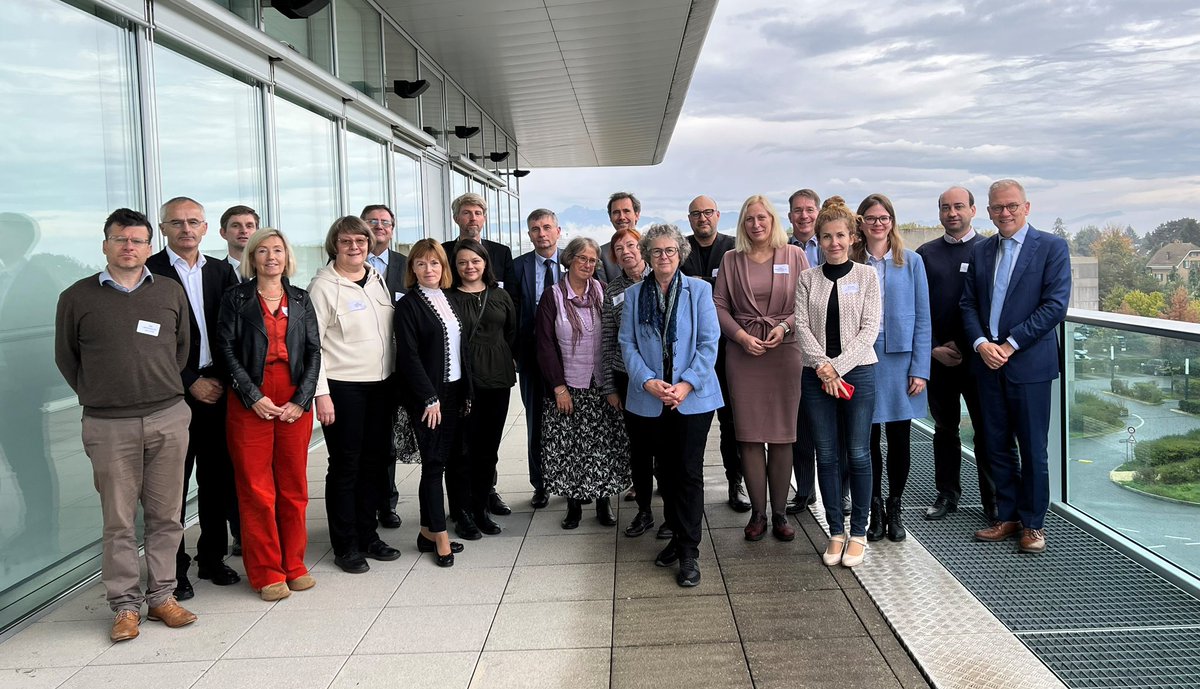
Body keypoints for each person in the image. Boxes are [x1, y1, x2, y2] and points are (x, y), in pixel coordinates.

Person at [54, 208, 196, 641]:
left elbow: (184, 349)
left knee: (166, 515)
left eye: (137, 240)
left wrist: (158, 388)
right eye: (120, 239)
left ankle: (162, 597)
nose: (129, 247)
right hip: (108, 424)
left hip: (168, 416)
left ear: (149, 247)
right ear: (105, 245)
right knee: (118, 520)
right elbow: (67, 358)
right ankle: (124, 606)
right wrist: (102, 394)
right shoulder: (76, 297)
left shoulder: (169, 292)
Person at [961, 179, 1070, 554]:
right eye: (996, 208)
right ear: (988, 211)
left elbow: (1055, 306)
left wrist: (1008, 345)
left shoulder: (1052, 248)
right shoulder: (982, 250)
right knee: (995, 445)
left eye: (1011, 206)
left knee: (1033, 449)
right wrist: (980, 344)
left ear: (1026, 207)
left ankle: (1034, 525)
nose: (1004, 213)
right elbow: (968, 304)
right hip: (988, 364)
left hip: (1029, 366)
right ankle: (1006, 517)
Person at [217, 228, 320, 601]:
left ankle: (294, 564)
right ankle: (266, 571)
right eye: (263, 250)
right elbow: (226, 350)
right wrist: (252, 395)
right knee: (257, 489)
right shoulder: (235, 299)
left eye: (277, 250)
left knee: (293, 487)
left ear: (287, 256)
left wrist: (303, 399)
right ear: (252, 258)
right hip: (251, 400)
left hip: (293, 398)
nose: (271, 256)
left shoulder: (301, 299)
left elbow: (313, 352)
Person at [147, 196, 240, 600]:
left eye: (193, 222)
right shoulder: (149, 272)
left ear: (205, 229)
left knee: (217, 479)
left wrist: (220, 379)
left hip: (218, 389)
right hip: (171, 393)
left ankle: (212, 557)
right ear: (164, 228)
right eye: (177, 223)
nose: (186, 229)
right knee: (171, 487)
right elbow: (147, 343)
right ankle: (174, 569)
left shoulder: (222, 272)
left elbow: (234, 331)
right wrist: (189, 380)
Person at [619, 223, 722, 587]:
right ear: (647, 255)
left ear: (680, 254)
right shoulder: (633, 295)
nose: (663, 257)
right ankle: (677, 539)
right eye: (657, 251)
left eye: (670, 251)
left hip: (692, 398)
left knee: (689, 472)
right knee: (666, 471)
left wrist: (686, 383)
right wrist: (647, 381)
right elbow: (627, 344)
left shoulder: (699, 290)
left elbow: (710, 343)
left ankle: (689, 551)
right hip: (650, 399)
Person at [712, 195, 808, 541]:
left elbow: (807, 301)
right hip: (744, 353)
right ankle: (758, 513)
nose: (756, 224)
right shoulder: (731, 259)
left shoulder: (794, 255)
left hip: (785, 351)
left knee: (783, 436)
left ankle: (781, 514)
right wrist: (739, 337)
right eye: (749, 218)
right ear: (742, 223)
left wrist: (784, 327)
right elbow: (719, 304)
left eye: (762, 218)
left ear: (772, 220)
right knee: (749, 436)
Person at [307, 216, 399, 574]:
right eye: (346, 242)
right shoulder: (323, 288)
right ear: (335, 245)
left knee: (374, 464)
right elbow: (311, 347)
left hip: (381, 387)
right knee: (346, 466)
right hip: (343, 389)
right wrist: (321, 395)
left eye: (360, 241)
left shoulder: (376, 280)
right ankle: (345, 545)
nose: (355, 247)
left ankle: (368, 535)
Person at [794, 196, 881, 568]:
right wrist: (823, 368)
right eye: (826, 236)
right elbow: (800, 326)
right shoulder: (806, 278)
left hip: (858, 372)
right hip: (815, 377)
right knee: (826, 455)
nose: (834, 243)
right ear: (819, 238)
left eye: (840, 235)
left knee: (858, 453)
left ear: (852, 237)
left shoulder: (867, 276)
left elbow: (869, 329)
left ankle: (858, 532)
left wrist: (838, 368)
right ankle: (835, 531)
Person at [851, 194, 930, 543]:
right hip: (862, 357)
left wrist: (921, 368)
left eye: (884, 217)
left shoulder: (911, 262)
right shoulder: (851, 263)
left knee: (899, 438)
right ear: (861, 223)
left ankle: (896, 506)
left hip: (900, 361)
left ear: (892, 221)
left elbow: (924, 318)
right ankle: (875, 507)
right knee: (866, 439)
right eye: (871, 217)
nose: (878, 223)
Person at [536, 237, 631, 529]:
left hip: (601, 385)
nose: (588, 265)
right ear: (569, 260)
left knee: (603, 446)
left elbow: (615, 335)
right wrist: (559, 387)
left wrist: (612, 385)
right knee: (571, 449)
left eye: (593, 260)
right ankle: (574, 507)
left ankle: (603, 504)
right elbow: (544, 345)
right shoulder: (552, 296)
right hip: (568, 387)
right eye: (583, 259)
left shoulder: (603, 291)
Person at [916, 187, 997, 523]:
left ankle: (993, 501)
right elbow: (917, 308)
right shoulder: (924, 254)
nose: (952, 213)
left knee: (986, 431)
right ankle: (947, 494)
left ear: (974, 210)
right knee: (945, 429)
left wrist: (974, 346)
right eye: (945, 208)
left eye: (959, 206)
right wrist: (933, 347)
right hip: (939, 359)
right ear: (939, 213)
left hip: (980, 359)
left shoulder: (991, 250)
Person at [394, 239, 471, 567]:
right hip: (428, 397)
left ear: (444, 268)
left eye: (435, 263)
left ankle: (426, 532)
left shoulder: (450, 299)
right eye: (422, 264)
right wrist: (429, 397)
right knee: (433, 464)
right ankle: (440, 536)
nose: (429, 269)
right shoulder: (408, 305)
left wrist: (465, 391)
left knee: (447, 459)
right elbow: (408, 357)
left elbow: (458, 349)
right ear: (412, 268)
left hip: (453, 393)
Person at [442, 192, 514, 515]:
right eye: (466, 213)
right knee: (462, 446)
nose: (473, 218)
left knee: (488, 445)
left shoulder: (501, 253)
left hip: (496, 372)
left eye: (478, 213)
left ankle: (486, 497)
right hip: (459, 374)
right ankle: (462, 507)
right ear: (457, 217)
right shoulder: (442, 253)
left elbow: (510, 326)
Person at [680, 195, 751, 513]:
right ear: (689, 218)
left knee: (732, 424)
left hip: (729, 350)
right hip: (690, 355)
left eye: (707, 212)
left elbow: (739, 294)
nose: (702, 218)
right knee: (686, 424)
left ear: (718, 215)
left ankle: (735, 484)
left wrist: (702, 285)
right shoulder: (679, 249)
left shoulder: (735, 249)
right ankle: (679, 487)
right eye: (696, 214)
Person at [598, 227, 657, 537]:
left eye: (631, 245)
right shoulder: (613, 290)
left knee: (668, 448)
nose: (626, 252)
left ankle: (673, 513)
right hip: (628, 377)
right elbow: (607, 339)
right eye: (619, 249)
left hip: (664, 377)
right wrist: (608, 385)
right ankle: (644, 511)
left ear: (642, 248)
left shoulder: (661, 278)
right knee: (639, 447)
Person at [511, 209, 563, 509]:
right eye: (535, 229)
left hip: (570, 358)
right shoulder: (518, 267)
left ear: (558, 230)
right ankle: (540, 484)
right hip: (531, 358)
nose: (541, 234)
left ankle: (570, 479)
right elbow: (513, 314)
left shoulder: (573, 262)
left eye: (546, 227)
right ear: (529, 234)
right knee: (536, 421)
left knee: (571, 420)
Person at [362, 203, 409, 531]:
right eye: (373, 222)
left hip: (396, 367)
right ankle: (362, 502)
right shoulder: (344, 266)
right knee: (363, 441)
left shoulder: (407, 266)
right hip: (357, 370)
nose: (380, 227)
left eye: (386, 223)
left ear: (393, 229)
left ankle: (386, 503)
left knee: (388, 439)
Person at [785, 189, 823, 515]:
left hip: (833, 347)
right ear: (789, 216)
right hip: (795, 347)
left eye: (809, 209)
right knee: (801, 427)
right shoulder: (781, 251)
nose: (804, 216)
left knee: (837, 426)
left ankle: (844, 492)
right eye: (798, 210)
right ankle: (805, 490)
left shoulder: (832, 245)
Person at [597, 192, 640, 281]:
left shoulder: (652, 248)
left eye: (626, 211)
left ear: (637, 215)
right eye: (616, 212)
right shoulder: (601, 254)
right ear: (610, 217)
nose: (622, 217)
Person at [219, 205, 259, 283]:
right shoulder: (214, 273)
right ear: (223, 233)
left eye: (249, 226)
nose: (244, 231)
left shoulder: (269, 270)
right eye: (236, 226)